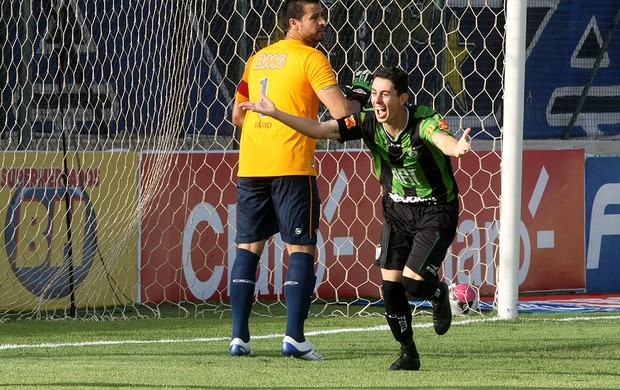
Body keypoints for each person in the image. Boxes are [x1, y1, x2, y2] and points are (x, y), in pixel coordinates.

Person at [239, 66, 471, 371]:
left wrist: (457, 148)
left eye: (385, 94)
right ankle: (408, 353)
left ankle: (438, 291)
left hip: (436, 209)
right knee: (390, 288)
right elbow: (321, 130)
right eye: (374, 94)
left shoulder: (424, 121)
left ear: (403, 97)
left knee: (412, 284)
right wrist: (277, 113)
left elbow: (441, 139)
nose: (377, 101)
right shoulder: (365, 122)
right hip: (396, 210)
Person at [229, 0, 369, 360]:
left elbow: (237, 117)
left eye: (324, 16)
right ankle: (294, 337)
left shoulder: (257, 58)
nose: (324, 22)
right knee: (301, 248)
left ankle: (239, 338)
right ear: (294, 22)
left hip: (252, 164)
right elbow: (343, 121)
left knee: (248, 247)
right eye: (315, 17)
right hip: (292, 164)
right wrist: (359, 101)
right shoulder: (312, 59)